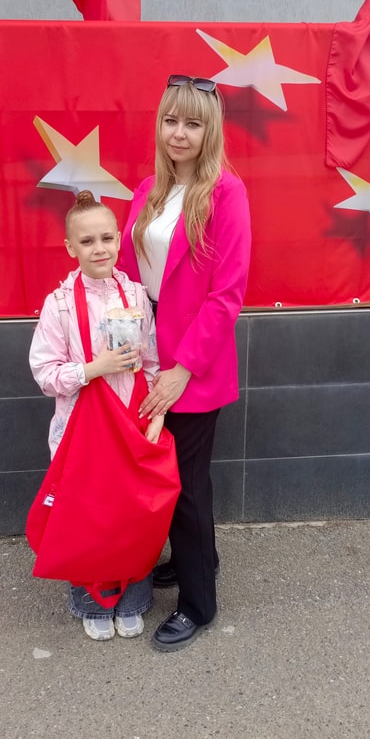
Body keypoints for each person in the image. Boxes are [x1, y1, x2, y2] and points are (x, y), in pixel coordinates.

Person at [120, 74, 251, 652]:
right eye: (171, 120)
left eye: (192, 123)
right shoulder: (150, 187)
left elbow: (227, 295)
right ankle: (200, 557)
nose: (179, 133)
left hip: (193, 359)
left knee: (188, 484)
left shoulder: (226, 193)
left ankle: (199, 605)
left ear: (209, 130)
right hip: (146, 351)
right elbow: (128, 274)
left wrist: (183, 368)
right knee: (165, 473)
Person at [29, 190, 164, 642]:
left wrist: (156, 414)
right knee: (85, 516)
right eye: (87, 241)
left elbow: (151, 362)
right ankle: (91, 601)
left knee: (131, 514)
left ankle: (134, 598)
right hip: (79, 431)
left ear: (119, 240)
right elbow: (45, 374)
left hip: (131, 424)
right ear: (71, 247)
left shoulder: (136, 295)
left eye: (107, 238)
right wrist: (94, 368)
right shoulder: (59, 304)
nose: (99, 248)